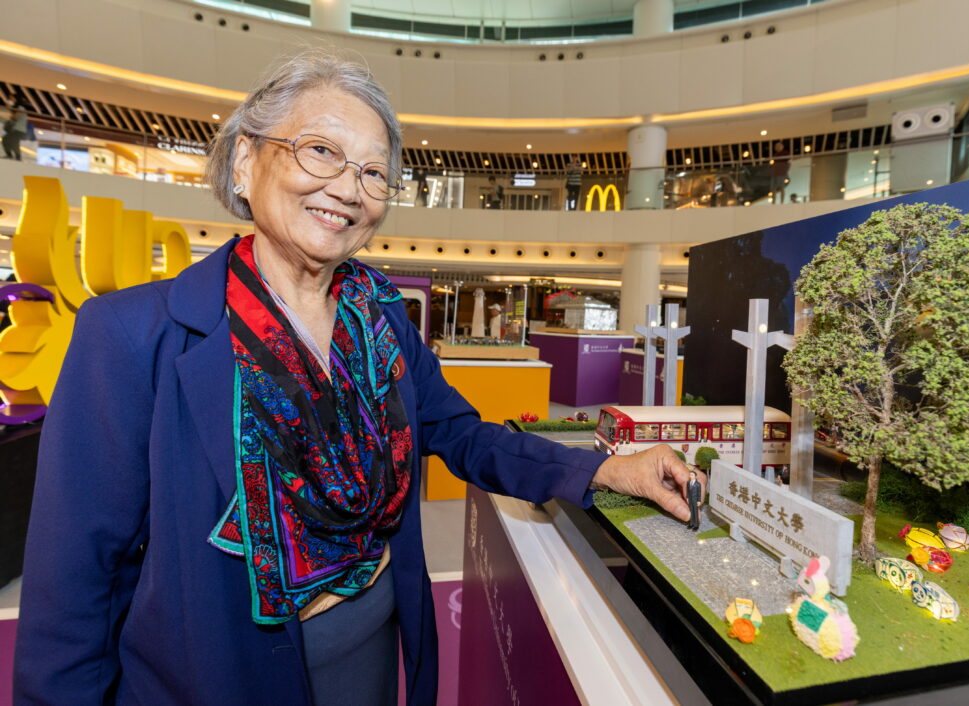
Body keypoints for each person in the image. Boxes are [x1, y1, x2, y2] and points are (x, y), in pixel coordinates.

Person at [13, 49, 697, 706]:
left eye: (374, 173)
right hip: (216, 676)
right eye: (321, 151)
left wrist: (602, 471)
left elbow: (460, 433)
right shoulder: (133, 335)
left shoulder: (382, 319)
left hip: (369, 646)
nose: (348, 188)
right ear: (246, 161)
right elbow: (74, 589)